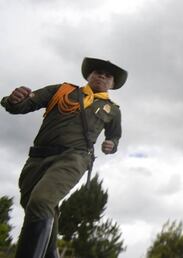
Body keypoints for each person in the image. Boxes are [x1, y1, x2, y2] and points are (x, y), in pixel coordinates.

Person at [1, 57, 127, 258]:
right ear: (88, 76)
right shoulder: (62, 90)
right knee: (35, 205)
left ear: (112, 83)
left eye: (108, 75)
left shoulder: (113, 110)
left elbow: (114, 137)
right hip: (38, 157)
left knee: (41, 202)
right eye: (97, 72)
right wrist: (13, 100)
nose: (102, 75)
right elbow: (22, 106)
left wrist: (111, 145)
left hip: (73, 159)